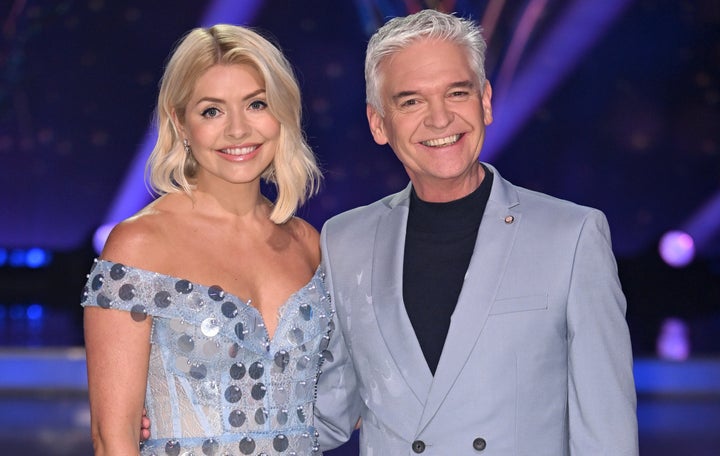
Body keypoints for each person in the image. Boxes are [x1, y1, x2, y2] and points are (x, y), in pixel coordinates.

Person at [313, 9, 639, 455]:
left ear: (484, 102)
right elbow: (327, 412)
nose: (439, 118)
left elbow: (607, 432)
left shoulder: (572, 236)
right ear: (378, 123)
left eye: (457, 93)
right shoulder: (344, 240)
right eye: (411, 101)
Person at [81, 24, 331, 456]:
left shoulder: (307, 243)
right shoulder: (140, 244)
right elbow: (113, 439)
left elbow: (348, 394)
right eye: (212, 111)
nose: (237, 130)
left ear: (282, 113)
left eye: (256, 104)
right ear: (180, 122)